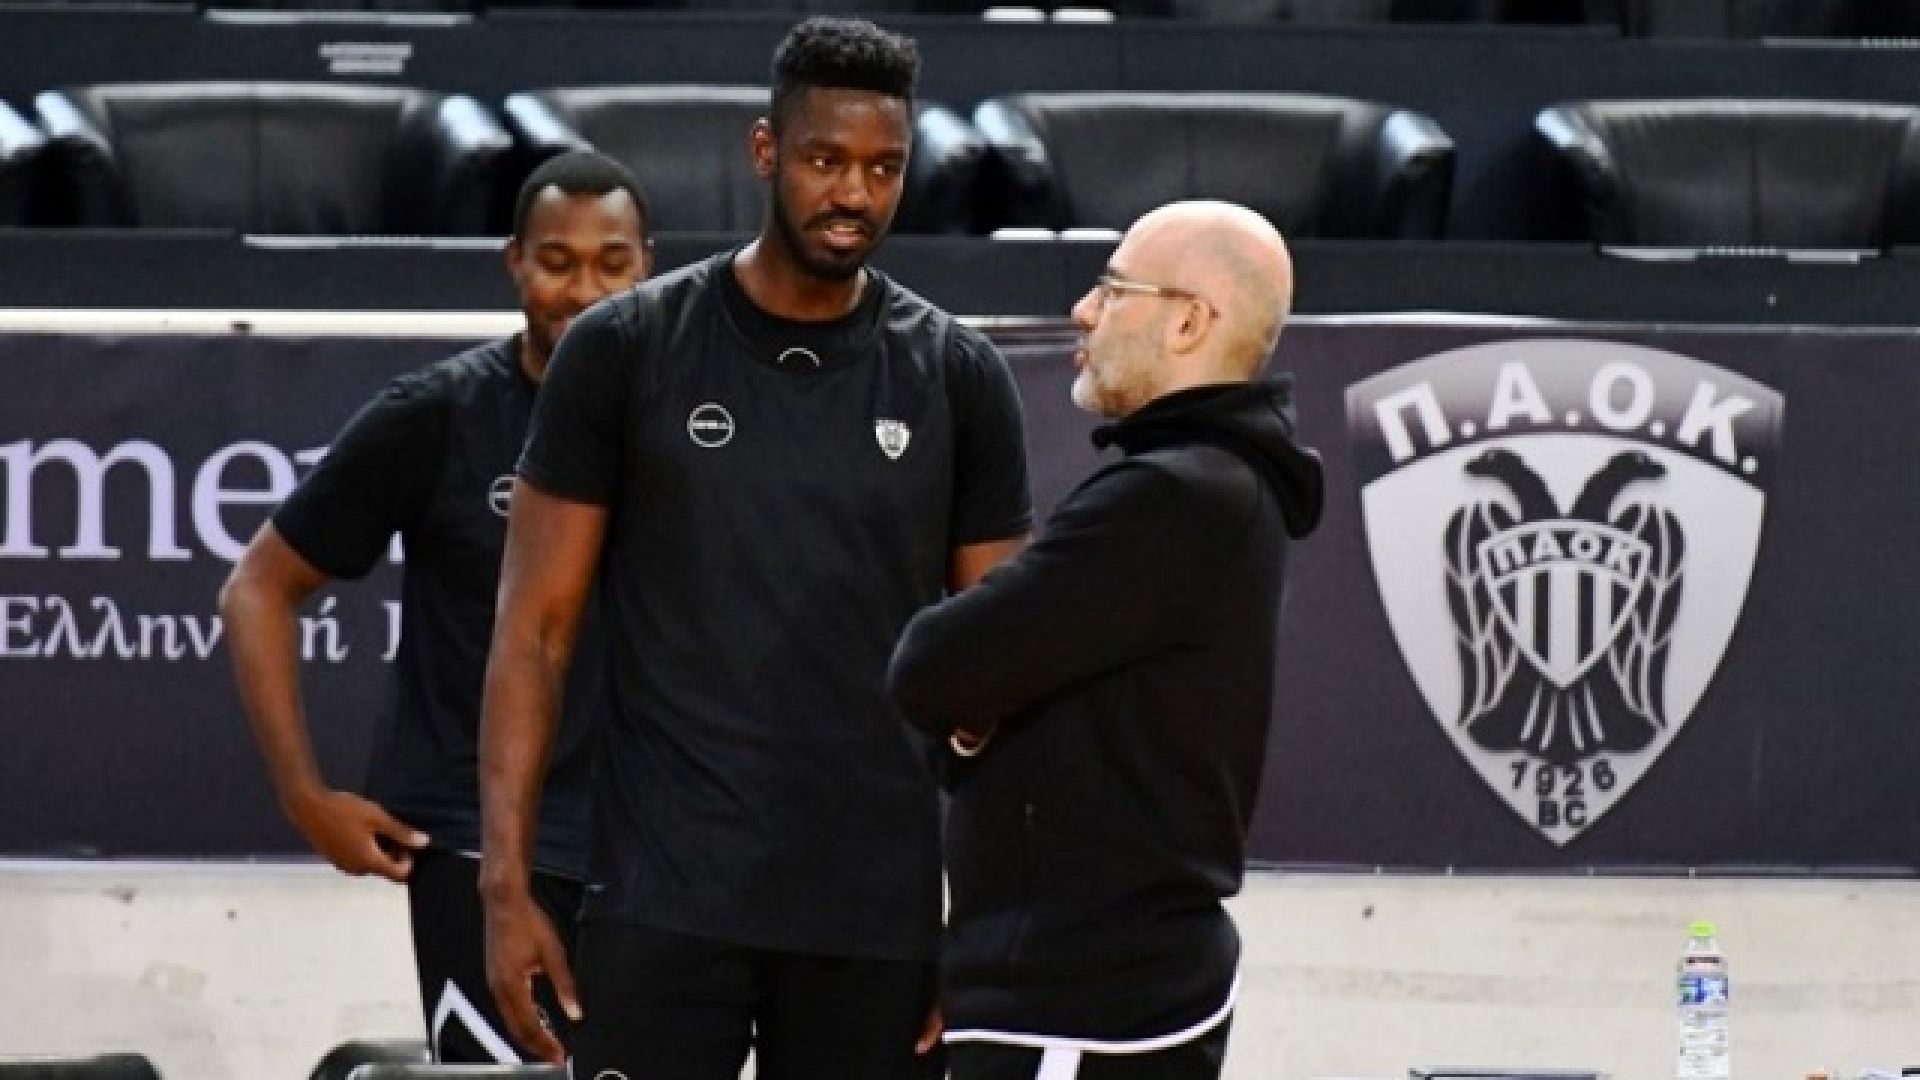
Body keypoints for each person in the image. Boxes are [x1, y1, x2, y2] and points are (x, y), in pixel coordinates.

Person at [476, 16, 1032, 1080]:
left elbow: (997, 680)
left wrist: (990, 915)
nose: (854, 193)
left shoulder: (959, 377)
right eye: (826, 159)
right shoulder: (624, 349)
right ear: (766, 150)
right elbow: (534, 633)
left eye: (883, 167)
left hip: (874, 916)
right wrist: (505, 885)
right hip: (662, 901)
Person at [217, 150, 652, 1064]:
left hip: (657, 845)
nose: (583, 290)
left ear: (648, 265)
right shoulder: (438, 415)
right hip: (480, 850)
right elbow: (257, 588)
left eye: (611, 263)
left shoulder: (686, 421)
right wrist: (304, 796)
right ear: (514, 262)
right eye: (557, 261)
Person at [887, 199, 1325, 1080]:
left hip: (1080, 997)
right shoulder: (1209, 486)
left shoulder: (1173, 498)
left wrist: (981, 707)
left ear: (1189, 321)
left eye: (1113, 289)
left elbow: (931, 667)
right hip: (1101, 984)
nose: (1083, 311)